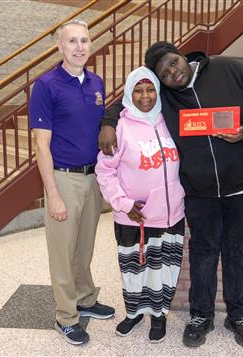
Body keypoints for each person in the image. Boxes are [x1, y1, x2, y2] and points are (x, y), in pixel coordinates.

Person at [99, 42, 243, 350]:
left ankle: (238, 315)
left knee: (238, 250)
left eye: (172, 63)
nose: (172, 72)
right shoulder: (164, 96)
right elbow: (128, 99)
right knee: (204, 252)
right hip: (199, 190)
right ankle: (200, 316)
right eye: (164, 73)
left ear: (182, 55)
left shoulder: (225, 68)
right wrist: (107, 122)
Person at [29, 19, 114, 346]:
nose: (80, 47)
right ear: (59, 47)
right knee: (62, 252)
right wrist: (54, 195)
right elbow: (41, 146)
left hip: (92, 176)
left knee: (84, 246)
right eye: (72, 41)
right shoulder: (47, 85)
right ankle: (66, 317)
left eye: (84, 40)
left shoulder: (96, 82)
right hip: (63, 179)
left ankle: (86, 299)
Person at [95, 66, 185, 343]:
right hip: (134, 216)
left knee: (164, 269)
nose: (145, 96)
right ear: (128, 92)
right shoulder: (119, 127)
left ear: (157, 92)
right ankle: (134, 313)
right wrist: (123, 203)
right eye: (138, 90)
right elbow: (104, 171)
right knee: (134, 269)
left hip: (171, 215)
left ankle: (159, 316)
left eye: (150, 89)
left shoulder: (169, 119)